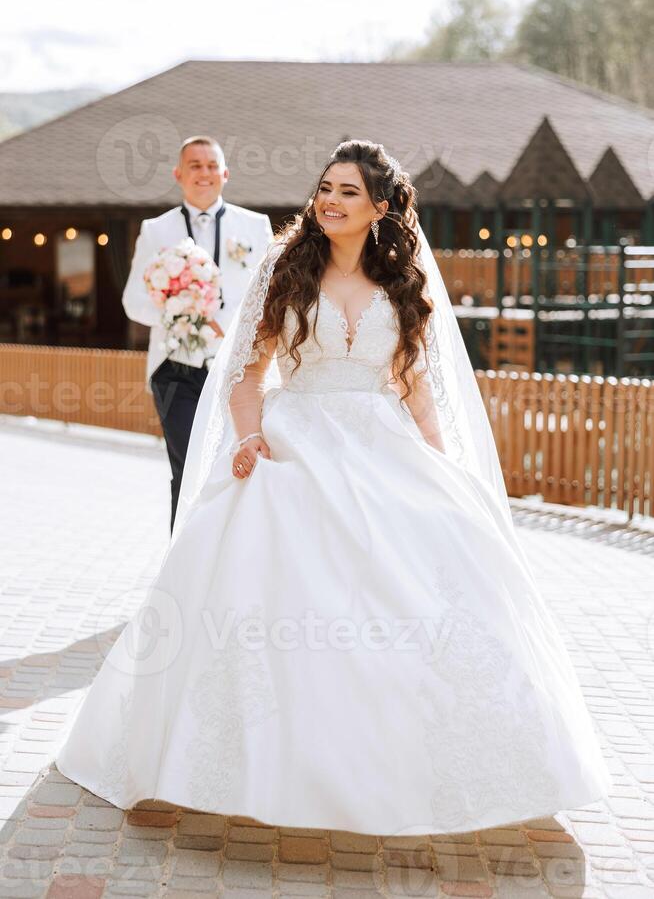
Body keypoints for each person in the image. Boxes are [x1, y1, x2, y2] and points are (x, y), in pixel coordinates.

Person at [55, 140, 611, 836]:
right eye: (326, 187)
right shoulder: (285, 268)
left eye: (348, 192)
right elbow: (246, 377)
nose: (330, 200)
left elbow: (414, 387)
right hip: (295, 441)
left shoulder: (402, 282)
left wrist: (444, 465)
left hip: (382, 445)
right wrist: (252, 437)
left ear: (380, 206)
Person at [122, 135, 273, 530]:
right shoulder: (155, 230)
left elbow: (272, 296)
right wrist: (180, 308)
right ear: (178, 174)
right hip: (176, 369)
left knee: (241, 461)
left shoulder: (255, 227)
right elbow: (133, 302)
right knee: (189, 465)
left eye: (211, 166)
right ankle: (182, 563)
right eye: (195, 165)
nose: (203, 173)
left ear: (225, 173)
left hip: (241, 369)